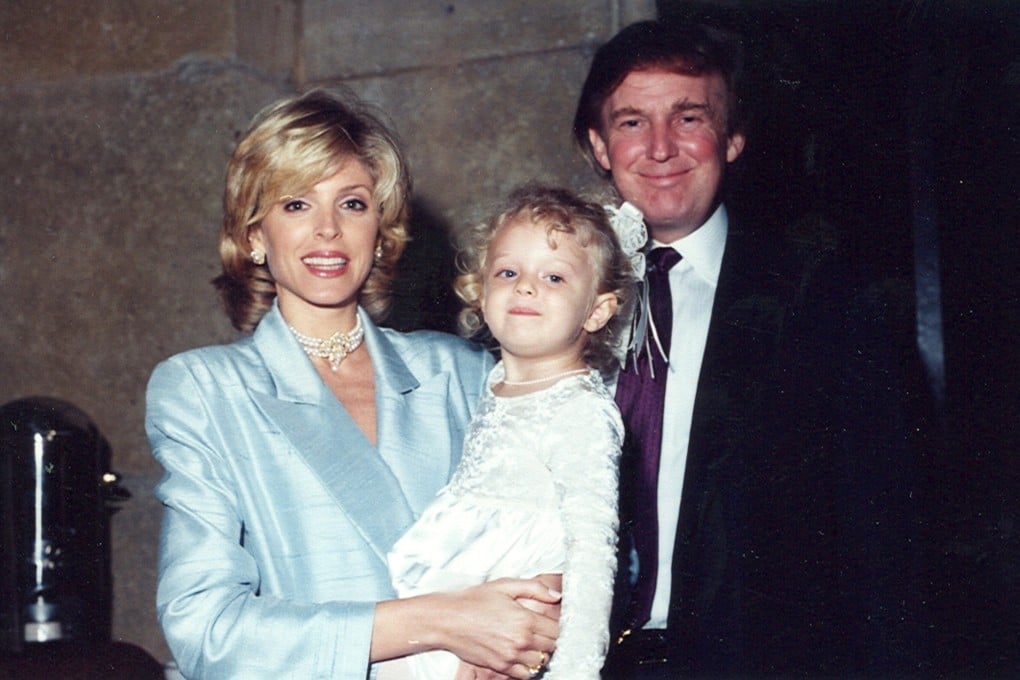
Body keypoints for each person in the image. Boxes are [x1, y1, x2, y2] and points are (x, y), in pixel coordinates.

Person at [145, 89, 561, 680]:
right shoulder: (205, 390)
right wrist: (442, 621)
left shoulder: (460, 373)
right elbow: (207, 629)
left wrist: (518, 638)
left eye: (353, 203)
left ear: (381, 228)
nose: (328, 231)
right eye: (295, 205)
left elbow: (568, 539)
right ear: (255, 235)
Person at [573, 19, 922, 678]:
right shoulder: (544, 295)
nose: (660, 148)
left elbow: (885, 551)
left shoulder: (825, 303)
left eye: (689, 117)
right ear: (598, 145)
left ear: (732, 138)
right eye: (630, 123)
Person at [379, 184, 639, 679]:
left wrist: (574, 670)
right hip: (458, 595)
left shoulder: (580, 409)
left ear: (598, 311)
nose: (525, 286)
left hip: (515, 613)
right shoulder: (495, 380)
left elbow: (592, 551)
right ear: (481, 289)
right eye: (508, 271)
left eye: (554, 277)